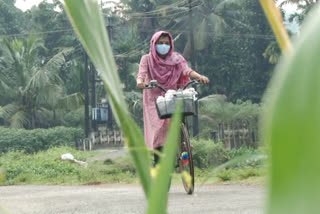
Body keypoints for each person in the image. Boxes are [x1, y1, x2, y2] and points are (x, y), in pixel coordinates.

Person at [136, 30, 209, 166]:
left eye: (166, 43)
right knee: (159, 129)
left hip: (172, 94)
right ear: (154, 44)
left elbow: (186, 70)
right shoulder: (147, 59)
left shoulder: (177, 59)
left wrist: (199, 77)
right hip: (154, 98)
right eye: (160, 43)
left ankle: (183, 145)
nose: (164, 46)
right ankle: (158, 160)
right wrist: (140, 82)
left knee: (179, 117)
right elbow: (141, 73)